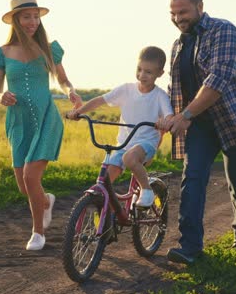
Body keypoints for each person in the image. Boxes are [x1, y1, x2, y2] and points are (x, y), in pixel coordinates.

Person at [158, 0, 236, 264]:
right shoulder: (178, 45)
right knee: (193, 179)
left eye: (184, 12)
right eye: (173, 13)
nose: (178, 18)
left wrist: (185, 116)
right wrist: (166, 114)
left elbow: (217, 81)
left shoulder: (224, 31)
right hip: (199, 124)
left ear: (200, 6)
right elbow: (174, 88)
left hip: (233, 119)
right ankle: (190, 248)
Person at [0, 0, 83, 251]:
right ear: (16, 20)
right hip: (19, 122)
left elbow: (63, 80)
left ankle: (38, 233)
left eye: (35, 17)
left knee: (31, 177)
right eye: (26, 17)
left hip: (46, 119)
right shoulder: (2, 53)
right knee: (24, 186)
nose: (32, 22)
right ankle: (45, 202)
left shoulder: (49, 49)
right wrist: (1, 97)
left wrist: (70, 92)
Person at [65, 47, 173, 208]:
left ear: (160, 73)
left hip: (146, 144)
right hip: (123, 144)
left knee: (129, 158)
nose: (142, 75)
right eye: (139, 69)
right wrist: (78, 112)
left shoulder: (160, 96)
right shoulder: (126, 89)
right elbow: (100, 100)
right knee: (105, 181)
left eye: (148, 72)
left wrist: (165, 122)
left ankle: (147, 190)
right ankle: (111, 219)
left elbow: (169, 116)